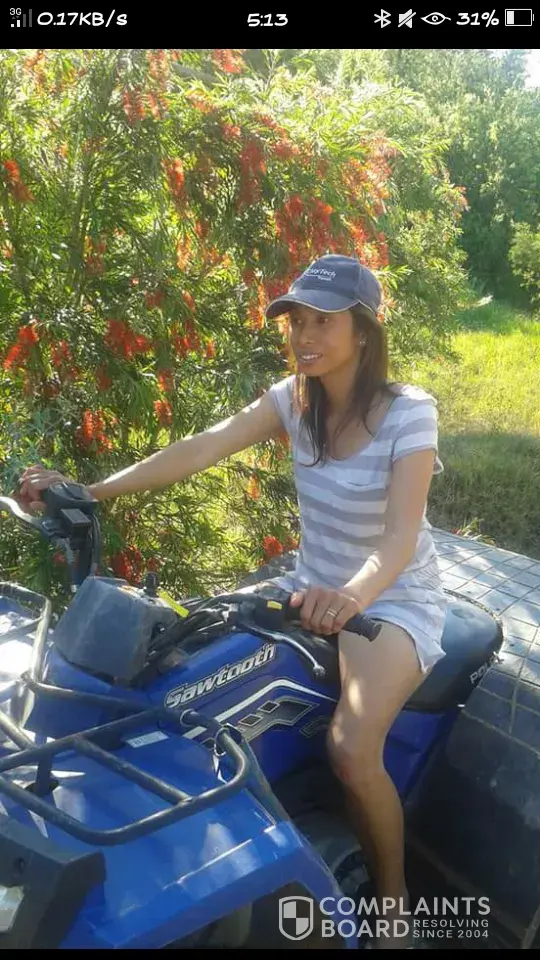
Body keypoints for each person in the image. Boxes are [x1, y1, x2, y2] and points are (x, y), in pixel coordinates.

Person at [19, 254, 447, 948]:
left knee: (351, 745)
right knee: (184, 668)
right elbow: (202, 447)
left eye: (322, 321)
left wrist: (350, 597)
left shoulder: (409, 413)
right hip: (307, 586)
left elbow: (400, 538)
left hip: (391, 601)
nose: (304, 335)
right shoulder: (294, 400)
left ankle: (394, 903)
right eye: (296, 321)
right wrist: (92, 492)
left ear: (363, 330)